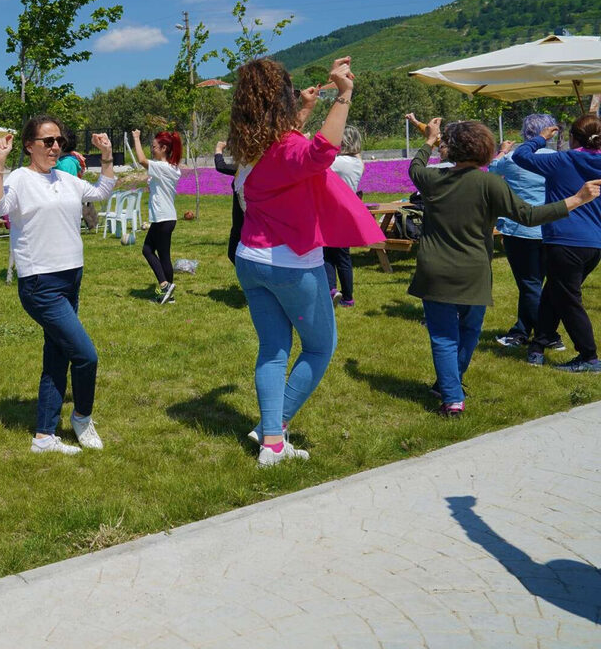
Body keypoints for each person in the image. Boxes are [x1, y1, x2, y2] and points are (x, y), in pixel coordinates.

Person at [228, 57, 383, 468]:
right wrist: (344, 94)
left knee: (273, 349)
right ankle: (271, 431)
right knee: (320, 347)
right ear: (281, 98)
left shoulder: (250, 147)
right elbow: (321, 151)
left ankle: (272, 442)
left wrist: (307, 109)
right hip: (293, 264)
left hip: (250, 259)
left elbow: (287, 146)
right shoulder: (289, 147)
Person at [408, 118, 598, 414]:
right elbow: (529, 216)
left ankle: (451, 392)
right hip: (474, 271)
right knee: (469, 329)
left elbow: (415, 168)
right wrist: (576, 199)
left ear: (451, 149)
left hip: (435, 270)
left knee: (444, 336)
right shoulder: (491, 183)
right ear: (485, 148)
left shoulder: (432, 179)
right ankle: (451, 388)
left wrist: (429, 140)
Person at [0, 119, 116, 456]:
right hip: (40, 283)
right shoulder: (20, 178)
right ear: (29, 145)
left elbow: (101, 192)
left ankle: (44, 436)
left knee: (57, 356)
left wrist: (106, 157)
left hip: (70, 277)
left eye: (59, 140)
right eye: (47, 141)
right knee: (86, 356)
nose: (55, 147)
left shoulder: (65, 178)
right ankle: (82, 417)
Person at [513, 114, 601, 372]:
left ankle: (589, 357)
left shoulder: (561, 160)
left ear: (572, 138)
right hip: (594, 244)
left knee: (567, 300)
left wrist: (541, 138)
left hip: (564, 240)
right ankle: (538, 347)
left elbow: (520, 157)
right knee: (554, 294)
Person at [487, 114, 564, 350]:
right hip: (553, 228)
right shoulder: (560, 158)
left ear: (525, 133)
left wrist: (501, 150)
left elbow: (491, 169)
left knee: (529, 284)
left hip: (521, 230)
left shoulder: (512, 159)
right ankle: (521, 331)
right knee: (538, 285)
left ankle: (548, 335)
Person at [132, 129, 182, 304]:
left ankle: (165, 286)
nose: (152, 149)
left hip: (163, 218)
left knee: (148, 250)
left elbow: (141, 160)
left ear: (164, 148)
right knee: (162, 255)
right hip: (165, 218)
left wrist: (136, 138)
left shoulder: (162, 167)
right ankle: (169, 295)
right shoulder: (171, 168)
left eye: (154, 146)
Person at [323, 124, 365, 307]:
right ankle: (347, 296)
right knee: (343, 256)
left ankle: (332, 288)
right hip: (348, 213)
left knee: (327, 253)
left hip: (331, 211)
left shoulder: (336, 163)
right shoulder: (358, 163)